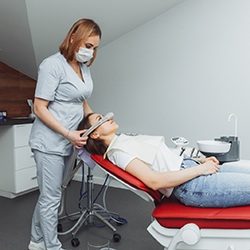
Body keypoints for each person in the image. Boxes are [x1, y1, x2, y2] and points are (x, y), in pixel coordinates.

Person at [28, 19, 101, 250]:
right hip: (49, 142)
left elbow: (82, 101)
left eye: (94, 47)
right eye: (87, 45)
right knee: (51, 198)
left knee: (50, 195)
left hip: (69, 142)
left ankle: (36, 241)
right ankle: (52, 246)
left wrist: (95, 120)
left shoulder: (83, 68)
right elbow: (39, 108)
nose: (90, 51)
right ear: (73, 38)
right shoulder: (52, 65)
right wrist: (68, 133)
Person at [80, 112, 250, 208]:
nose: (107, 117)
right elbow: (155, 181)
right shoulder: (118, 152)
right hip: (192, 186)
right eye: (100, 119)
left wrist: (199, 161)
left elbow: (165, 160)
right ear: (94, 134)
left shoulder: (124, 140)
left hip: (191, 170)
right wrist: (201, 170)